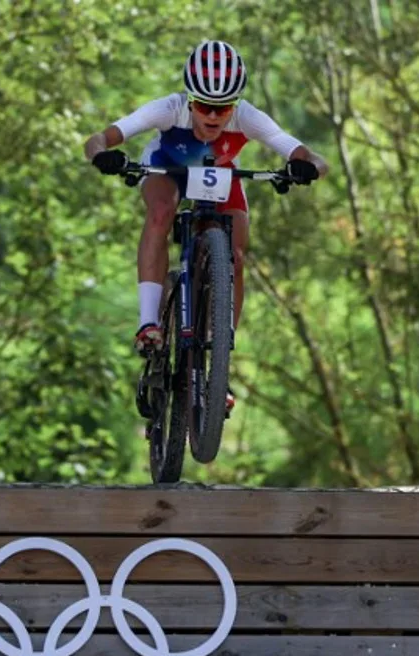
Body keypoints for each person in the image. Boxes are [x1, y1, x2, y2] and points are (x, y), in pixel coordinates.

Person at [83, 39, 330, 406]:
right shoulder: (169, 108)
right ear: (189, 99)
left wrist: (307, 167)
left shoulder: (247, 117)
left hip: (219, 177)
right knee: (161, 214)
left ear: (235, 104)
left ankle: (219, 362)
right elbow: (99, 138)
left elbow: (313, 156)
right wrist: (103, 156)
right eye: (203, 106)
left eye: (222, 108)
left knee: (236, 256)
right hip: (167, 168)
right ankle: (149, 322)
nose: (213, 117)